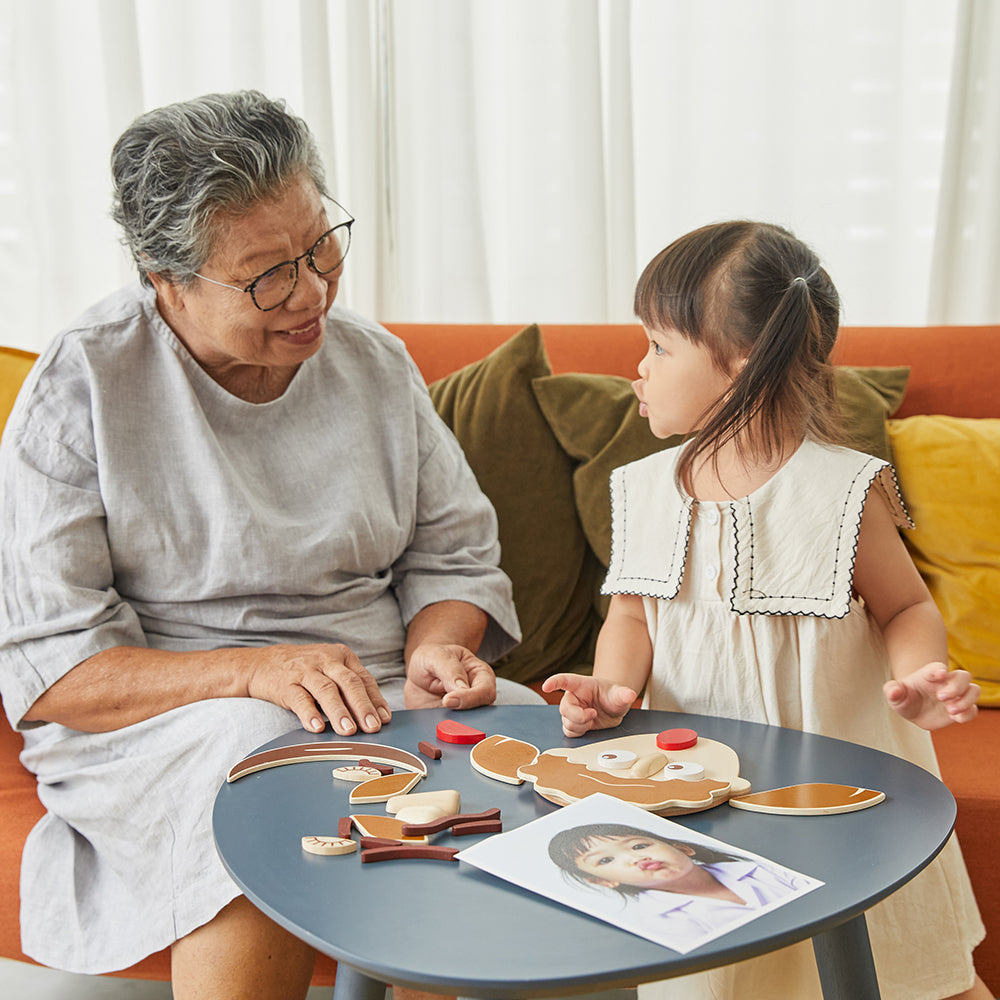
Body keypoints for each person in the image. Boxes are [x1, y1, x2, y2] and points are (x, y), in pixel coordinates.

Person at [0, 90, 541, 999]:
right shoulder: (85, 382)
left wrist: (437, 647)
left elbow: (451, 557)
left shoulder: (371, 360)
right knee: (267, 763)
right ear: (160, 274)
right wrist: (253, 671)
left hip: (369, 685)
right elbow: (57, 668)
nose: (313, 291)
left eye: (321, 245)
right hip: (167, 714)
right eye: (266, 276)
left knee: (511, 734)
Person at [543, 221, 989, 1000]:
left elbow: (905, 606)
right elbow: (632, 619)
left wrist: (921, 676)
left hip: (839, 792)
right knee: (727, 977)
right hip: (703, 793)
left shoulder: (843, 490)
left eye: (658, 345)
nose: (637, 368)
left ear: (741, 361)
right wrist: (612, 690)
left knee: (909, 974)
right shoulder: (646, 489)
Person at [548, 822, 814, 952]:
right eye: (606, 860)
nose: (636, 858)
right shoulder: (664, 923)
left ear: (682, 847)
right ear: (605, 881)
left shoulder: (759, 868)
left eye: (639, 845)